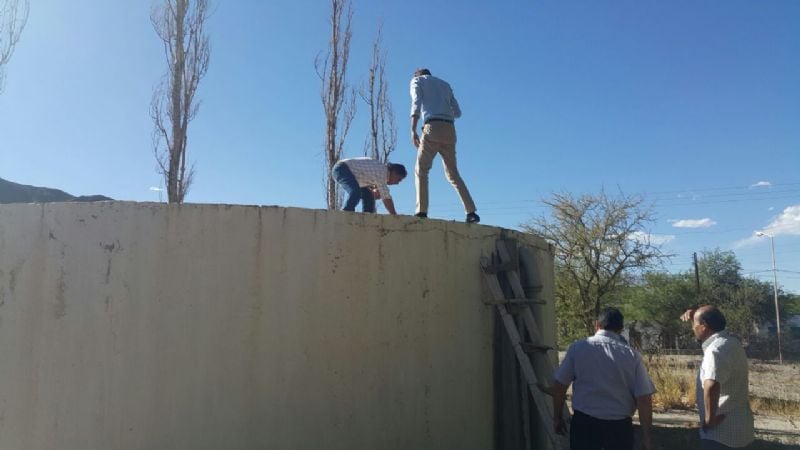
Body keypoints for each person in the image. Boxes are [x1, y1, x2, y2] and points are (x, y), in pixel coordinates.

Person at [553, 307, 655, 450]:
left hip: (585, 426)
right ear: (620, 329)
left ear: (597, 325)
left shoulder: (577, 348)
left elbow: (559, 386)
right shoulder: (632, 355)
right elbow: (644, 398)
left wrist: (557, 417)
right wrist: (646, 437)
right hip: (619, 428)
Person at [409, 68, 479, 224]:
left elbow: (416, 103)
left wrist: (413, 129)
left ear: (417, 75)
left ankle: (421, 211)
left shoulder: (417, 81)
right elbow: (458, 112)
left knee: (421, 169)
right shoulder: (445, 85)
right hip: (450, 130)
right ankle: (471, 212)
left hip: (432, 126)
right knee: (453, 174)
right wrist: (443, 113)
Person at [680, 305, 754, 449]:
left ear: (704, 326)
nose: (692, 328)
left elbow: (711, 384)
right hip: (741, 428)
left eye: (695, 324)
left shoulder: (715, 350)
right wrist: (695, 317)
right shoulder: (732, 342)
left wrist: (709, 420)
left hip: (720, 435)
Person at [331, 157, 406, 215]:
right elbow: (386, 197)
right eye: (398, 179)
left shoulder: (380, 170)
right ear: (394, 172)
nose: (397, 183)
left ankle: (367, 217)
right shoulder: (383, 172)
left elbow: (366, 175)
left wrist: (373, 189)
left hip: (351, 174)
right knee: (355, 192)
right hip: (341, 169)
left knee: (369, 195)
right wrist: (394, 215)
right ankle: (346, 213)